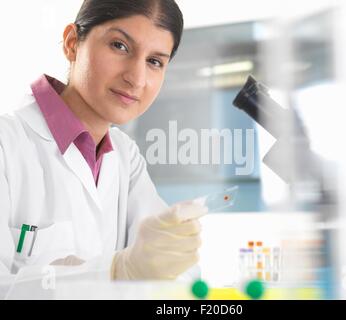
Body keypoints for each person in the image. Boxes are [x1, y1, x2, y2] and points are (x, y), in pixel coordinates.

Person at [0, 0, 206, 294]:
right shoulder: (6, 146)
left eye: (155, 61)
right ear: (72, 43)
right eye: (120, 46)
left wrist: (166, 258)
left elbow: (178, 270)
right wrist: (116, 273)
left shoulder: (125, 157)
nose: (136, 78)